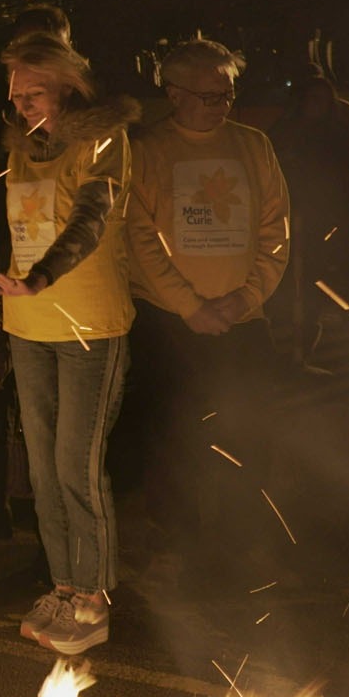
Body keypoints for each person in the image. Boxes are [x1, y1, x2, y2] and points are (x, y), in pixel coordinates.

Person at [0, 32, 138, 655]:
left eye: (37, 92)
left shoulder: (103, 142)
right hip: (29, 325)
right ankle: (63, 584)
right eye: (17, 94)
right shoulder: (22, 148)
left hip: (89, 325)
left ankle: (95, 597)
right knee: (45, 468)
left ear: (69, 87)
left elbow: (89, 219)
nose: (24, 105)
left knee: (77, 462)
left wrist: (42, 276)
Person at [125, 40, 290, 569]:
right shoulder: (148, 149)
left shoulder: (254, 145)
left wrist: (247, 296)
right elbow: (139, 236)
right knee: (173, 435)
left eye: (228, 94)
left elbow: (277, 229)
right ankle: (173, 537)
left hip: (244, 320)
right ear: (172, 94)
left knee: (248, 432)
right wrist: (188, 305)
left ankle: (243, 537)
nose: (221, 105)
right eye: (208, 95)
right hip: (169, 322)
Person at [268, 73, 349, 370]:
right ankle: (291, 346)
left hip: (329, 216)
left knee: (325, 275)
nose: (317, 105)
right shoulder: (287, 128)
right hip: (293, 215)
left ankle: (311, 342)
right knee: (294, 278)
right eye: (312, 99)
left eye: (322, 100)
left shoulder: (339, 129)